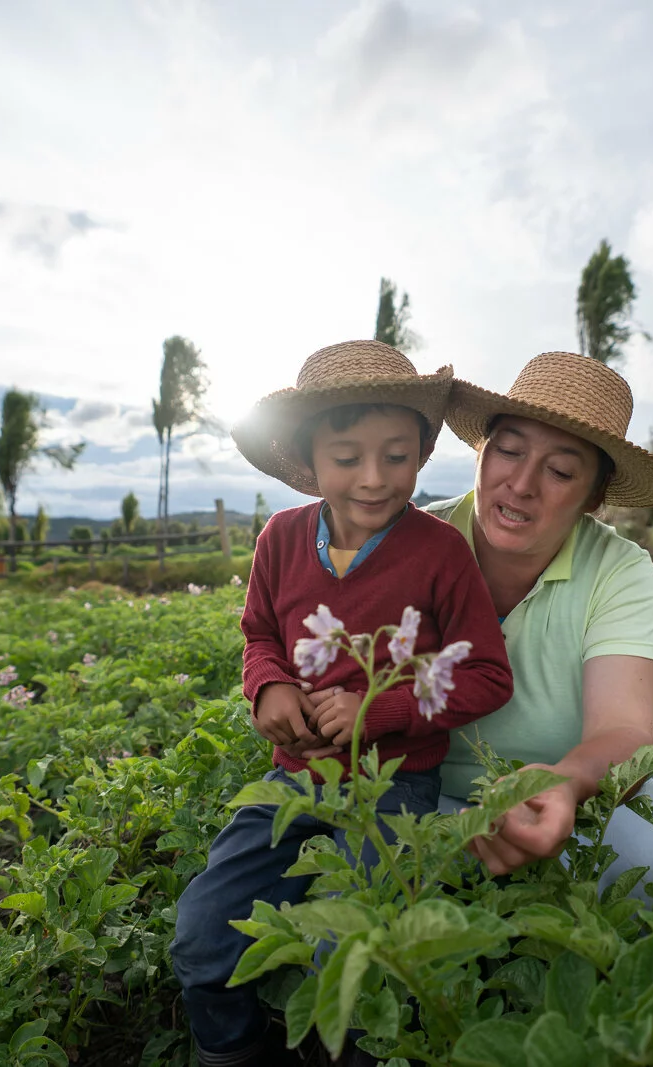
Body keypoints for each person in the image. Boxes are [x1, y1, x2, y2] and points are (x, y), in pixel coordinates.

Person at [169, 340, 514, 1067]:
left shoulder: (440, 551)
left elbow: (485, 674)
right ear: (309, 462)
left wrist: (377, 710)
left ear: (421, 455)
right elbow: (259, 632)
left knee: (347, 952)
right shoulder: (281, 538)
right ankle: (229, 1051)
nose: (374, 477)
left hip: (396, 783)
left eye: (396, 455)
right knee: (202, 932)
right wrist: (268, 686)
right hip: (294, 778)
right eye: (348, 456)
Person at [422, 351, 653, 889]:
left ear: (594, 498)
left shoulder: (620, 571)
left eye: (561, 470)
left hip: (572, 797)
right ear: (481, 451)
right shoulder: (412, 542)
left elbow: (624, 731)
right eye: (509, 450)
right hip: (423, 794)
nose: (521, 484)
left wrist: (560, 784)